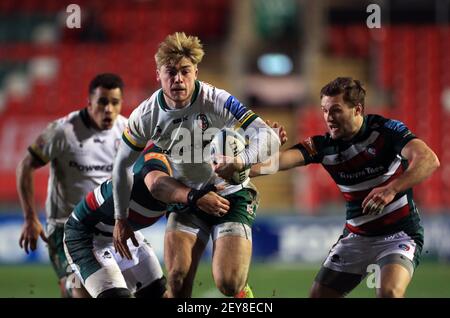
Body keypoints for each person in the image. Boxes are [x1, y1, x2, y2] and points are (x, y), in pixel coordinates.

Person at [111, 32, 281, 298]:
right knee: (176, 282)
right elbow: (121, 166)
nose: (178, 79)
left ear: (196, 72)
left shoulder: (217, 99)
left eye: (185, 71)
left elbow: (267, 136)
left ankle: (240, 292)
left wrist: (240, 161)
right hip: (188, 197)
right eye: (170, 72)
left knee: (229, 283)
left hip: (231, 195)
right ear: (158, 74)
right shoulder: (145, 115)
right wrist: (120, 218)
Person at [250, 77, 440, 298]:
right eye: (324, 110)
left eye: (336, 110)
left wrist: (391, 189)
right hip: (356, 237)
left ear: (357, 109)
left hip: (399, 234)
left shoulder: (386, 131)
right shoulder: (323, 145)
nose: (328, 118)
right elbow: (278, 162)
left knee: (389, 292)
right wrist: (245, 161)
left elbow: (428, 159)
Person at [63, 144, 227, 298]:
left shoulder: (194, 163)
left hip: (127, 235)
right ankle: (77, 283)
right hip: (87, 236)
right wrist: (194, 197)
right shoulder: (157, 160)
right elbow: (157, 184)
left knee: (157, 293)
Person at [17, 73, 128, 298]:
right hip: (65, 229)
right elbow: (25, 166)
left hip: (106, 228)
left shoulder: (126, 130)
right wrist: (30, 218)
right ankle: (69, 286)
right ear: (89, 103)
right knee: (81, 292)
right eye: (102, 102)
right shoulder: (62, 131)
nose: (108, 109)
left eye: (114, 103)